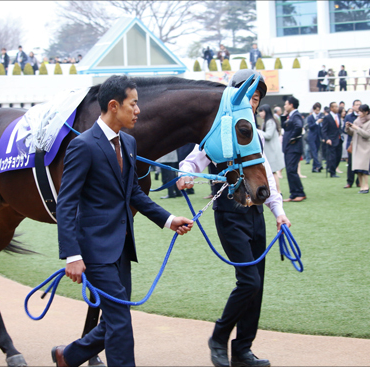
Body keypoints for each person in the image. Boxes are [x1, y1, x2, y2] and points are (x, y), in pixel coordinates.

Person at [52, 75, 193, 367]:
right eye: (134, 103)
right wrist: (72, 255)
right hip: (94, 253)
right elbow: (66, 203)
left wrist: (168, 220)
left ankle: (68, 356)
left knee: (118, 317)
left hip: (122, 249)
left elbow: (132, 194)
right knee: (120, 322)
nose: (138, 110)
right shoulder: (83, 146)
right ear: (114, 106)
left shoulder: (128, 142)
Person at [177, 69, 290, 367]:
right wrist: (186, 174)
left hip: (256, 215)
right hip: (229, 214)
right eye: (249, 97)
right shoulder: (218, 131)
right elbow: (193, 159)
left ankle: (242, 350)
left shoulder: (252, 135)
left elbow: (266, 177)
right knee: (249, 281)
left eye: (256, 99)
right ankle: (219, 338)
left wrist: (279, 213)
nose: (252, 104)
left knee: (258, 284)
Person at [345, 104, 370, 194]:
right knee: (357, 168)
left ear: (366, 112)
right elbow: (352, 133)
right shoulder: (357, 120)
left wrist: (356, 128)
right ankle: (361, 185)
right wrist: (348, 128)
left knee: (364, 168)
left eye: (361, 111)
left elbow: (367, 135)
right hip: (356, 145)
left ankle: (366, 185)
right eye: (359, 111)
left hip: (365, 147)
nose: (359, 113)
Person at [281, 96, 306, 201]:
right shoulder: (290, 116)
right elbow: (285, 127)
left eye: (286, 104)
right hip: (289, 148)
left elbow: (299, 127)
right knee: (290, 170)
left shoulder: (296, 115)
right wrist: (283, 116)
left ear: (291, 105)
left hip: (293, 147)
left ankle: (299, 193)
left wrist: (292, 138)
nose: (284, 106)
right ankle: (294, 194)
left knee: (291, 170)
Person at [258, 104, 284, 193]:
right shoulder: (267, 121)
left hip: (272, 151)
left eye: (262, 111)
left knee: (273, 172)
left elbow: (268, 135)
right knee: (271, 172)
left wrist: (258, 131)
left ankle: (278, 191)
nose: (260, 113)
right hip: (270, 151)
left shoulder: (270, 121)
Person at [321, 101, 343, 178]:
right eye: (335, 107)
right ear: (331, 108)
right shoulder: (327, 117)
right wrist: (327, 139)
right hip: (331, 140)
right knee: (332, 157)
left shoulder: (338, 116)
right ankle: (332, 172)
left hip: (339, 139)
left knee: (338, 156)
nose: (337, 108)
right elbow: (324, 130)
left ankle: (333, 168)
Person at [344, 100, 361, 188]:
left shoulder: (363, 117)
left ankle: (359, 181)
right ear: (353, 106)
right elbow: (345, 129)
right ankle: (349, 182)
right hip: (352, 142)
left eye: (359, 105)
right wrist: (348, 128)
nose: (358, 106)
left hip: (361, 142)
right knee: (351, 163)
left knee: (360, 163)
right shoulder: (348, 117)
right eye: (356, 105)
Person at [306, 102, 324, 173]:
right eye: (316, 110)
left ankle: (314, 168)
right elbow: (310, 126)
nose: (317, 112)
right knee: (314, 152)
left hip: (318, 137)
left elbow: (321, 128)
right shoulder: (310, 117)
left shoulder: (320, 116)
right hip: (311, 136)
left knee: (316, 151)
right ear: (313, 110)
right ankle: (318, 165)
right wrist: (317, 122)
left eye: (318, 110)